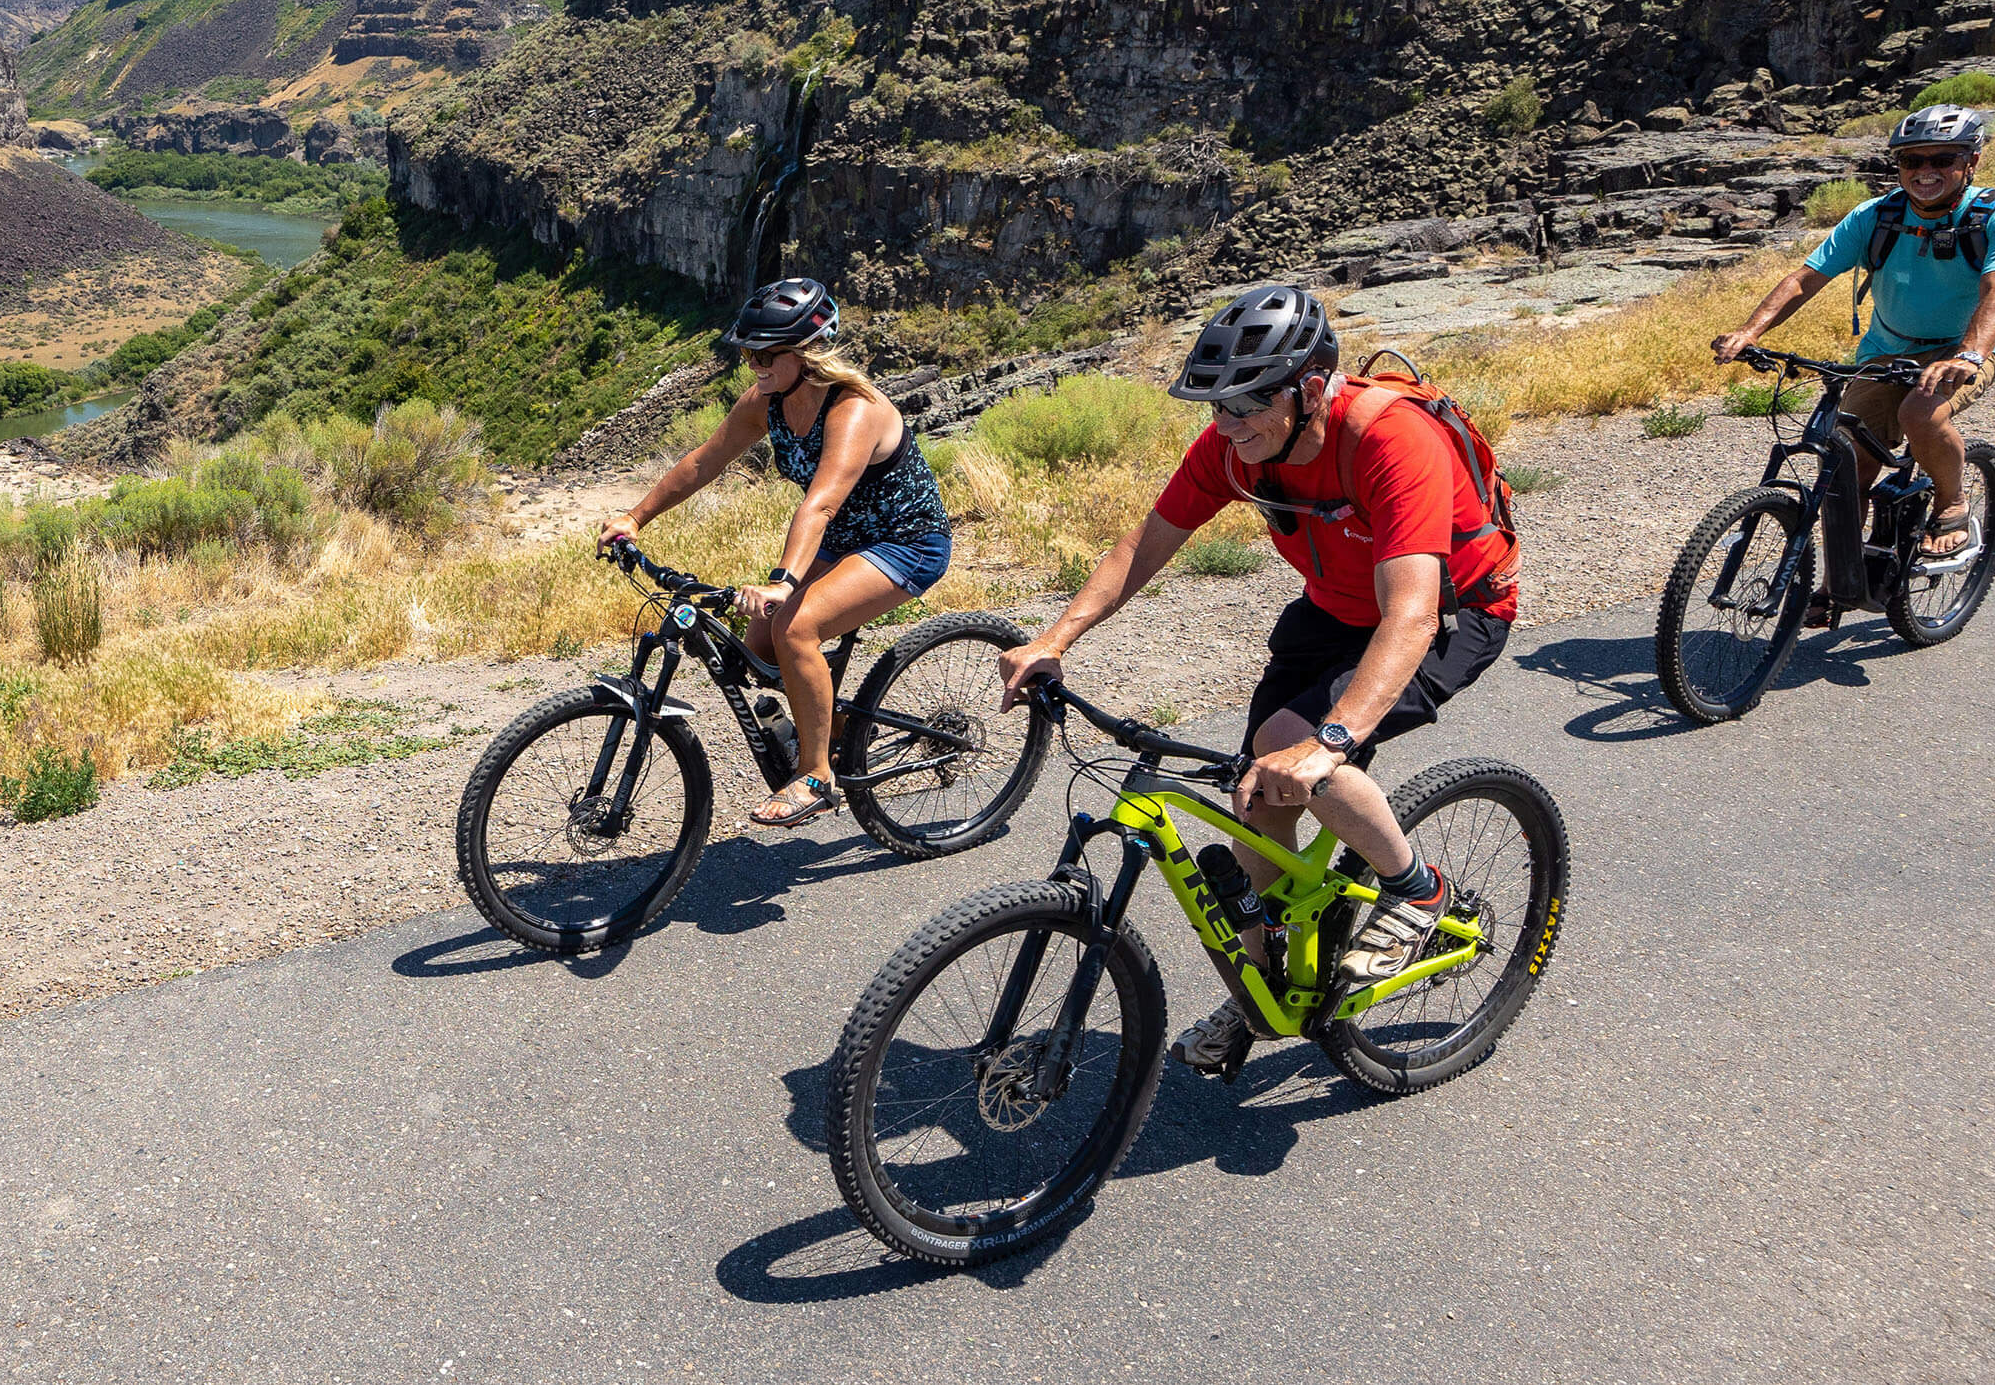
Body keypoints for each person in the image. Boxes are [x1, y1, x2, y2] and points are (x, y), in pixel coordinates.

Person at [994, 285, 1519, 1072]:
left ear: (1309, 390)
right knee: (1255, 797)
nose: (1226, 425)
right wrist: (1054, 638)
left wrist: (1331, 742)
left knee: (1292, 748)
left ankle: (1418, 890)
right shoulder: (1235, 450)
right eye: (1214, 406)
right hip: (1335, 607)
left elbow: (1409, 616)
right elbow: (1148, 543)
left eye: (1243, 404)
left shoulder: (1391, 441)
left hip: (1451, 609)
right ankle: (1268, 987)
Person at [599, 278, 953, 827]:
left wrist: (783, 583)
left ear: (805, 352)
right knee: (758, 648)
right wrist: (634, 517)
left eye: (766, 354)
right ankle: (834, 727)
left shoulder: (853, 409)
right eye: (747, 353)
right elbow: (705, 460)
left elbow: (821, 504)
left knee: (794, 628)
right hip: (838, 544)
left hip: (904, 542)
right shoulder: (767, 399)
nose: (754, 364)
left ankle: (815, 774)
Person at [1713, 103, 1995, 563]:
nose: (1925, 171)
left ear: (1971, 162)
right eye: (1911, 161)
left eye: (1941, 159)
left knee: (1921, 414)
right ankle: (1838, 585)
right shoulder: (1875, 216)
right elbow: (1807, 278)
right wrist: (1749, 331)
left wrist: (1968, 356)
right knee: (1846, 465)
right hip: (1888, 347)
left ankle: (1952, 501)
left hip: (1969, 346)